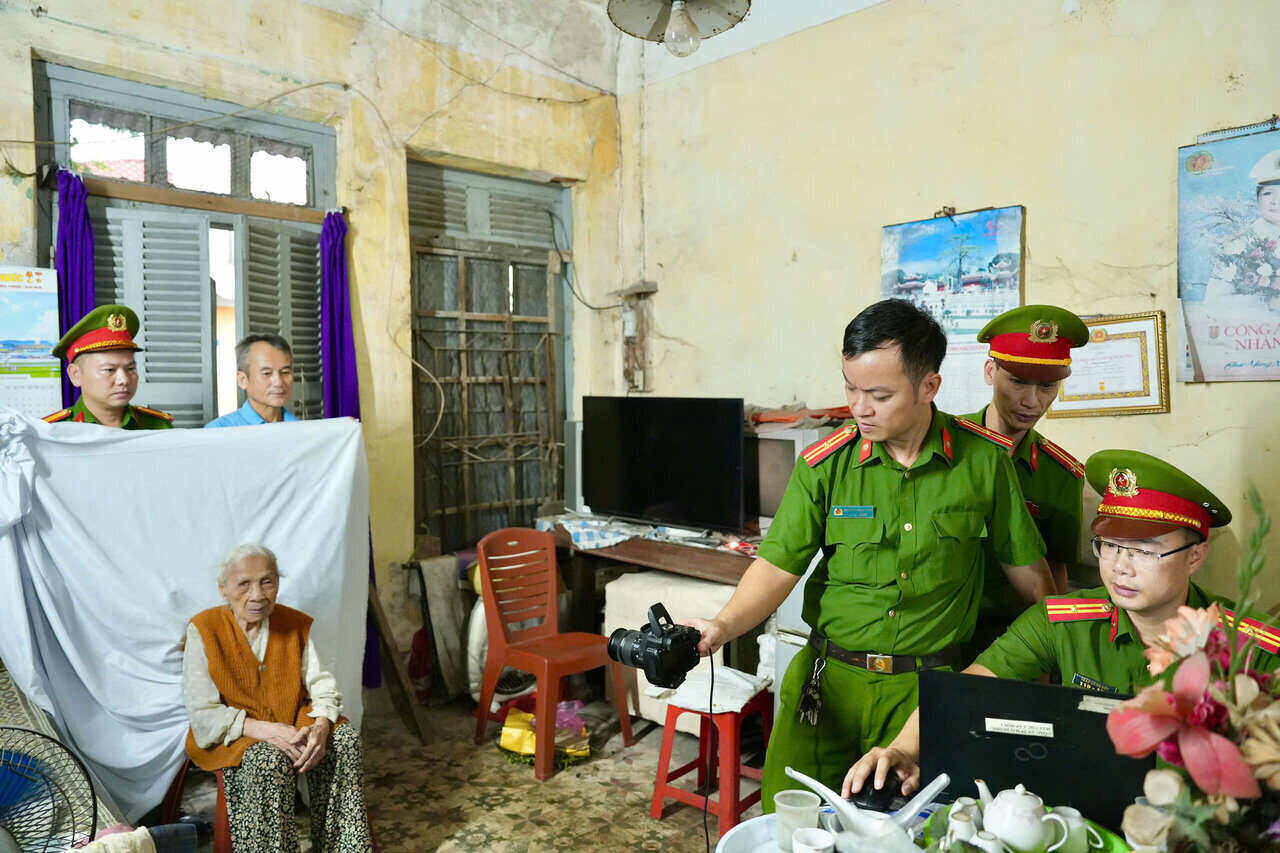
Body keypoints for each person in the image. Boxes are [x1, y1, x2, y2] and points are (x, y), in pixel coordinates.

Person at [684, 298, 1054, 810]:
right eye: (851, 388)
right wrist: (722, 627)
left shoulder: (985, 463)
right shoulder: (826, 464)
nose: (860, 407)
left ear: (929, 387)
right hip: (827, 685)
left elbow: (1032, 583)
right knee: (793, 825)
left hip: (928, 694)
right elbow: (777, 564)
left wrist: (1050, 663)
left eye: (878, 394)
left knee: (918, 831)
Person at [841, 450, 1280, 799]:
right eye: (1109, 546)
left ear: (1196, 556)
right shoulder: (1062, 622)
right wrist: (902, 749)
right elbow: (968, 692)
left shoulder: (1250, 644)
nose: (1120, 568)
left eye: (1144, 551)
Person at [182, 543, 373, 852]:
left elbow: (321, 684)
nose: (257, 595)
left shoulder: (295, 623)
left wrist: (322, 725)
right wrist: (265, 730)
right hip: (238, 733)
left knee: (345, 740)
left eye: (267, 581)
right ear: (223, 589)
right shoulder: (204, 629)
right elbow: (202, 712)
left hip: (292, 720)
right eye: (244, 584)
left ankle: (344, 847)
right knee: (268, 761)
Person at [962, 305, 1090, 660]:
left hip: (1013, 639)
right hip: (937, 634)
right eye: (1017, 381)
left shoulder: (1060, 474)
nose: (1032, 402)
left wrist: (1052, 656)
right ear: (991, 371)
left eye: (1047, 387)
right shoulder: (946, 446)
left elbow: (1057, 573)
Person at [42, 304, 173, 429]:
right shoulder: (53, 432)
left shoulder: (158, 427)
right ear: (75, 375)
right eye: (109, 370)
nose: (124, 380)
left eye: (130, 369)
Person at [1204, 148, 1280, 309]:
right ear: (1257, 199)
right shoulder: (1238, 245)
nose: (1275, 201)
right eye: (1268, 194)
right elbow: (1214, 303)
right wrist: (1266, 303)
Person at [205, 333, 298, 428]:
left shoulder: (301, 428)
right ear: (243, 380)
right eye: (267, 373)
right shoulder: (218, 431)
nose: (278, 382)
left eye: (285, 372)